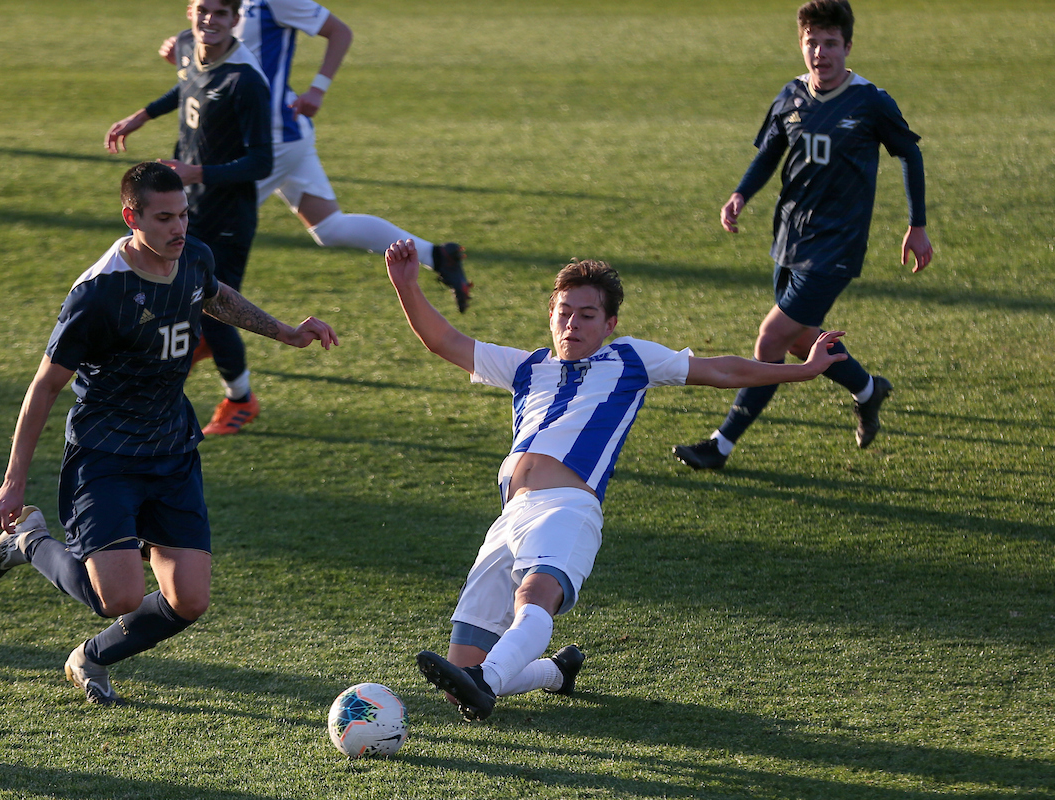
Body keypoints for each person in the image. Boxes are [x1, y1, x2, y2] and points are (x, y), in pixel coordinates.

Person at [383, 238, 847, 721]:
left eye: (587, 314)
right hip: (508, 518)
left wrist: (803, 370)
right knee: (457, 681)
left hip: (567, 505)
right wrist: (408, 285)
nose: (572, 323)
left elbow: (720, 370)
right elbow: (445, 341)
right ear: (551, 317)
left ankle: (487, 681)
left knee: (534, 595)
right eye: (564, 312)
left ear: (609, 324)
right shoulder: (526, 367)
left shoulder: (630, 360)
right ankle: (552, 673)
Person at [0, 162, 338, 706]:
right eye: (164, 218)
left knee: (189, 599)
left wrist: (286, 332)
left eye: (184, 215)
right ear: (132, 217)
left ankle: (92, 658)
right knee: (119, 596)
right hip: (107, 455)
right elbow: (44, 388)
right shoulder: (98, 294)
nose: (179, 228)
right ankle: (29, 540)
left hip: (171, 449)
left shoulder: (191, 255)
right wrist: (12, 482)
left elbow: (214, 295)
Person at [674, 0, 933, 471]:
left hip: (837, 245)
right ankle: (869, 390)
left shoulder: (870, 101)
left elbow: (909, 155)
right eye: (812, 42)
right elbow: (770, 153)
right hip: (789, 238)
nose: (821, 52)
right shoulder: (790, 96)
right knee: (800, 342)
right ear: (801, 44)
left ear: (847, 46)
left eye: (830, 43)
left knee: (770, 341)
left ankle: (721, 445)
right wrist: (740, 194)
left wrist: (917, 224)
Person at [158, 0, 474, 314]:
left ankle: (200, 331)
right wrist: (185, 49)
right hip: (271, 132)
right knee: (330, 227)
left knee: (196, 221)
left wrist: (318, 89)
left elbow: (340, 32)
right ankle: (438, 256)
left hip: (274, 136)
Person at [106, 0, 275, 436]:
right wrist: (141, 116)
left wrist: (194, 173)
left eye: (221, 13)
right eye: (203, 10)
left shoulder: (246, 81)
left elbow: (261, 162)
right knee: (172, 295)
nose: (210, 20)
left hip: (227, 217)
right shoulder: (186, 45)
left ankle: (241, 399)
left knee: (215, 307)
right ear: (189, 12)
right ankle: (197, 344)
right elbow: (186, 85)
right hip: (186, 209)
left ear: (236, 19)